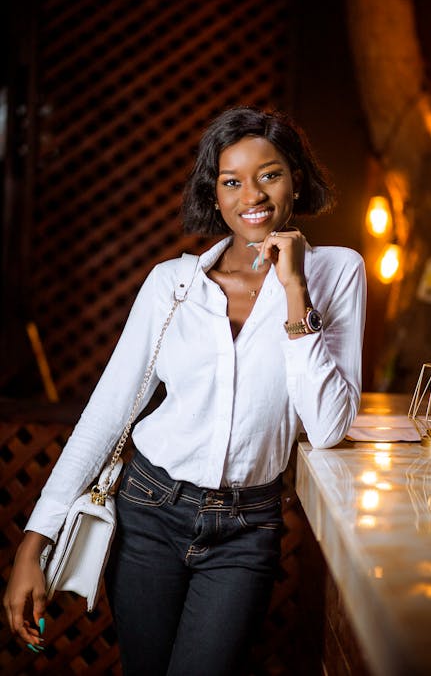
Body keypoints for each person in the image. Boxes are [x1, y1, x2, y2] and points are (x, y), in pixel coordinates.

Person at [4, 105, 366, 675]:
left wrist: (294, 289)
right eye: (231, 181)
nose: (254, 194)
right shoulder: (171, 284)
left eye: (269, 173)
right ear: (215, 195)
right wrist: (35, 541)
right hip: (148, 510)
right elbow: (107, 412)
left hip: (248, 528)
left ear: (295, 177)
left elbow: (328, 426)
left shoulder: (337, 272)